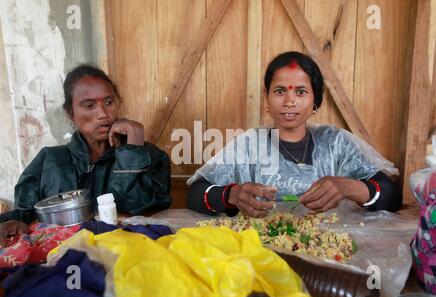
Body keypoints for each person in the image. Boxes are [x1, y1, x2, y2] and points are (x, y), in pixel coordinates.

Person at [187, 51, 402, 217]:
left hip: (328, 254)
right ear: (267, 99)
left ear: (315, 101)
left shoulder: (336, 143)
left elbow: (392, 197)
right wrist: (231, 195)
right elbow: (195, 194)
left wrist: (348, 187)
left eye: (301, 92)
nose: (289, 101)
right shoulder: (249, 145)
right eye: (280, 91)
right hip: (262, 252)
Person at [0, 64, 171, 241]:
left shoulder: (150, 156)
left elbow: (137, 208)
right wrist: (12, 224)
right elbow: (23, 214)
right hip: (66, 259)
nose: (103, 114)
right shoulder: (50, 161)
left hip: (129, 253)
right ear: (70, 113)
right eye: (89, 106)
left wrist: (133, 146)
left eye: (109, 102)